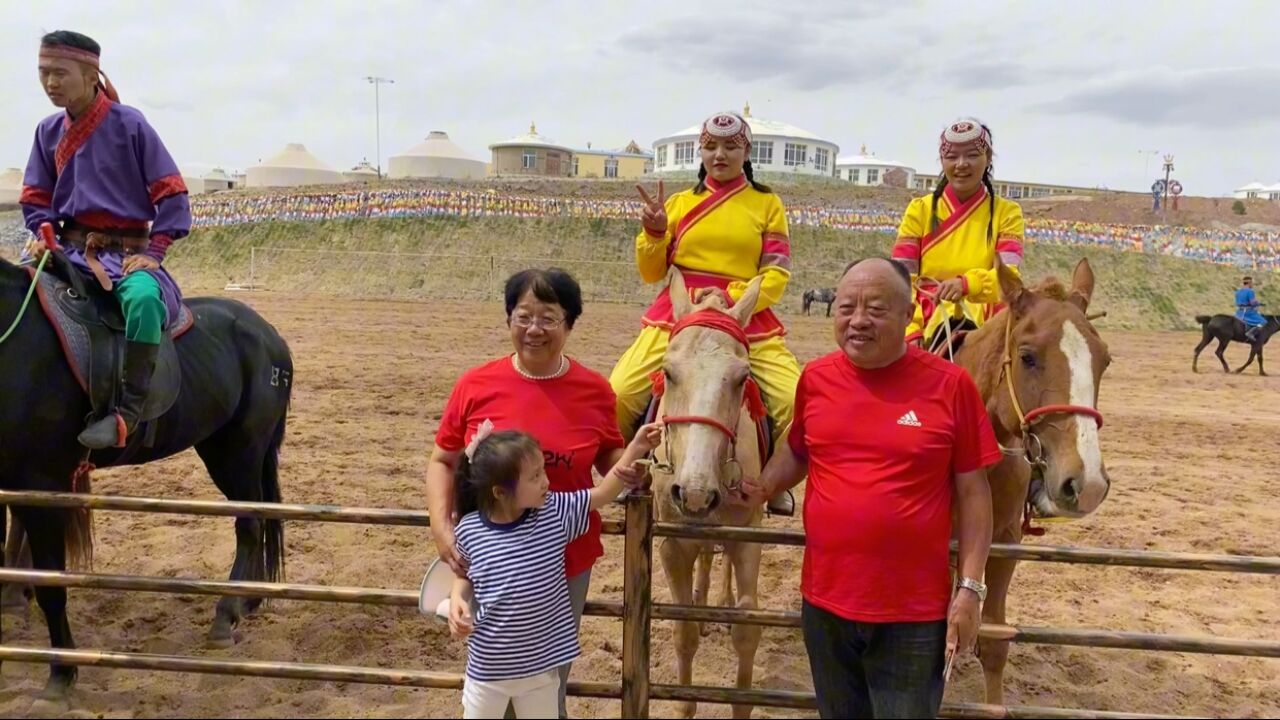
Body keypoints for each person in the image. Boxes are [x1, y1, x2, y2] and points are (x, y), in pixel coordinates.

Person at [744, 258, 997, 719]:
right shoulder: (816, 379)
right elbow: (799, 450)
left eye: (876, 309)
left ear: (907, 316)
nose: (858, 320)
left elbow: (975, 492)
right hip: (824, 605)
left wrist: (970, 589)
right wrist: (762, 487)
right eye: (846, 307)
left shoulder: (951, 385)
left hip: (914, 614)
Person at [426, 268, 641, 718]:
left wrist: (637, 469)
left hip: (563, 563)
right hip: (486, 558)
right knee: (492, 677)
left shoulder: (595, 390)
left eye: (549, 318)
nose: (534, 329)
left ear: (570, 323)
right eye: (523, 316)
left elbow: (610, 460)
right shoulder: (475, 384)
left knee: (546, 685)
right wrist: (443, 530)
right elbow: (443, 461)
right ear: (508, 319)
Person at [611, 110, 801, 515]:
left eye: (731, 147)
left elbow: (776, 273)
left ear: (746, 151)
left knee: (796, 400)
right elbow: (652, 273)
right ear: (700, 150)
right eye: (711, 146)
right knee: (620, 391)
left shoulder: (768, 204)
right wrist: (655, 232)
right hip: (679, 313)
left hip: (745, 315)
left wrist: (733, 299)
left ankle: (772, 481)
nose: (720, 154)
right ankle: (637, 472)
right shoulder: (679, 203)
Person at [19, 30, 191, 449]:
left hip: (126, 255)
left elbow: (172, 193)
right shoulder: (47, 131)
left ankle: (127, 411)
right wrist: (43, 235)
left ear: (92, 74)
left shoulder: (129, 124)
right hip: (66, 252)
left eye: (60, 73)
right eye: (43, 73)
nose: (50, 83)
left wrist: (155, 252)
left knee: (144, 301)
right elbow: (37, 197)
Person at [447, 421, 662, 719]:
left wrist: (637, 446)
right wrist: (457, 599)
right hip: (486, 672)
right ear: (500, 492)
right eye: (535, 476)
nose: (546, 482)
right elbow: (464, 574)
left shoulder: (554, 513)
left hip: (541, 670)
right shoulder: (470, 529)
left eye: (543, 471)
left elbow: (602, 493)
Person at [892, 118, 1025, 351]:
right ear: (942, 161)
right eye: (952, 157)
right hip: (926, 317)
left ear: (988, 159)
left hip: (987, 319)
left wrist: (968, 284)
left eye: (972, 155)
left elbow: (1008, 279)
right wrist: (911, 329)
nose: (961, 164)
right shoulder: (919, 210)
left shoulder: (1008, 213)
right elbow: (902, 279)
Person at [1236, 275, 1266, 343]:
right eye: (1252, 283)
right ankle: (1250, 333)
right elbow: (1252, 303)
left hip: (1239, 312)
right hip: (1248, 312)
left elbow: (1238, 302)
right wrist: (1259, 303)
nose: (1252, 284)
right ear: (1249, 283)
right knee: (1263, 321)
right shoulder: (1250, 291)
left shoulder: (1238, 291)